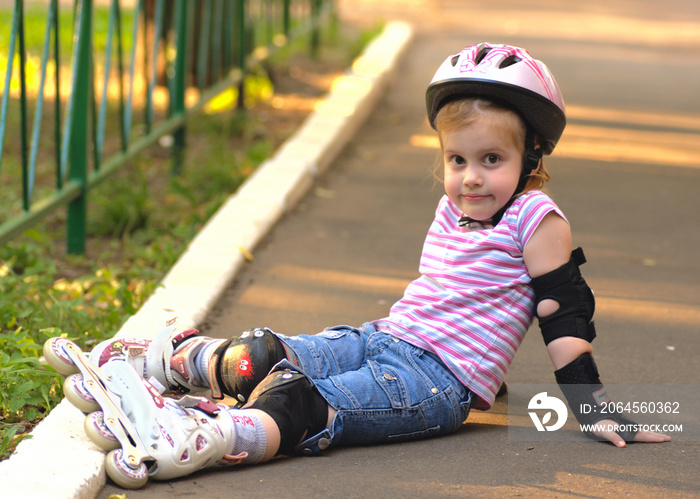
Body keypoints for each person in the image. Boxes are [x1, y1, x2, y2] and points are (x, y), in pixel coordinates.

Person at [88, 42, 671, 479]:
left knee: (300, 401)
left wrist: (592, 409)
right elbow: (458, 298)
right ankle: (171, 368)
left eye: (492, 158)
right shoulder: (453, 210)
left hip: (433, 381)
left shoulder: (538, 219)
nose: (471, 177)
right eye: (457, 159)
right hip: (386, 337)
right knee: (262, 355)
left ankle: (207, 439)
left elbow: (562, 314)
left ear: (532, 153)